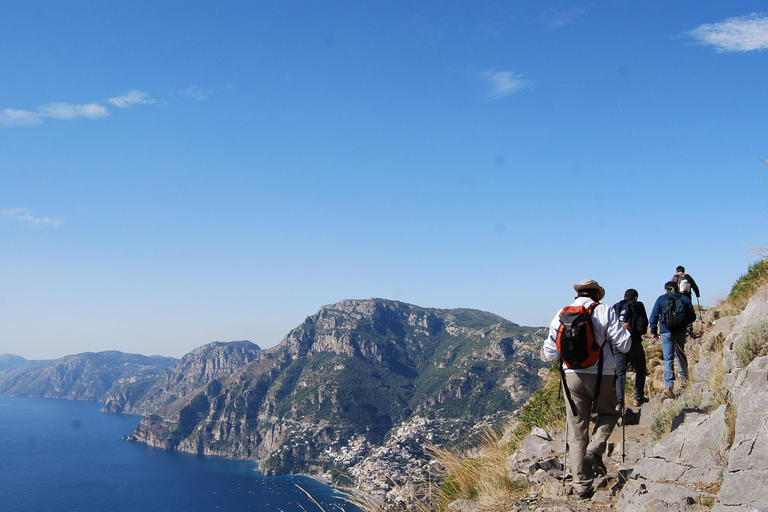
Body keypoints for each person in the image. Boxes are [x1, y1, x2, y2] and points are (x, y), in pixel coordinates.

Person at [544, 279, 632, 499]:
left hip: (571, 376)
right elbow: (625, 344)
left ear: (578, 294)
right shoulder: (604, 311)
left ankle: (582, 486)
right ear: (597, 295)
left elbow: (550, 353)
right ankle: (595, 449)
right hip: (603, 375)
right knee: (609, 413)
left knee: (576, 431)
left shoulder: (562, 313)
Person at [648, 281, 697, 398]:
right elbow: (693, 316)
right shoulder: (684, 299)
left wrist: (654, 331)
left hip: (666, 331)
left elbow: (653, 316)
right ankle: (685, 380)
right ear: (677, 288)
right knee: (681, 354)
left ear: (666, 289)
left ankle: (669, 386)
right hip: (680, 331)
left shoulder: (661, 299)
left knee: (668, 358)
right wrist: (684, 324)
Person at [612, 289, 649, 408]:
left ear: (624, 296)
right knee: (640, 369)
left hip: (617, 343)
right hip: (633, 342)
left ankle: (619, 402)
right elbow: (643, 324)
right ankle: (637, 398)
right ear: (636, 297)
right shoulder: (638, 305)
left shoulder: (616, 306)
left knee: (620, 372)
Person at [671, 265, 700, 337]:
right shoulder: (688, 277)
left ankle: (681, 330)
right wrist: (697, 294)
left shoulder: (675, 277)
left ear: (676, 271)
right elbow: (695, 287)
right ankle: (689, 329)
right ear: (684, 270)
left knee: (679, 312)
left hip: (678, 298)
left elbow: (671, 286)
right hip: (687, 297)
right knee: (688, 312)